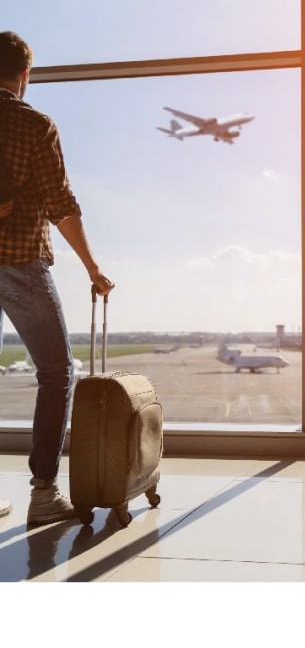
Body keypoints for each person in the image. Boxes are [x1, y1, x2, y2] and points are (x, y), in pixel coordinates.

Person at [0, 31, 114, 525]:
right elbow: (61, 206)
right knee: (57, 370)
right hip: (18, 260)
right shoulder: (33, 125)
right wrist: (92, 267)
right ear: (25, 74)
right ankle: (43, 494)